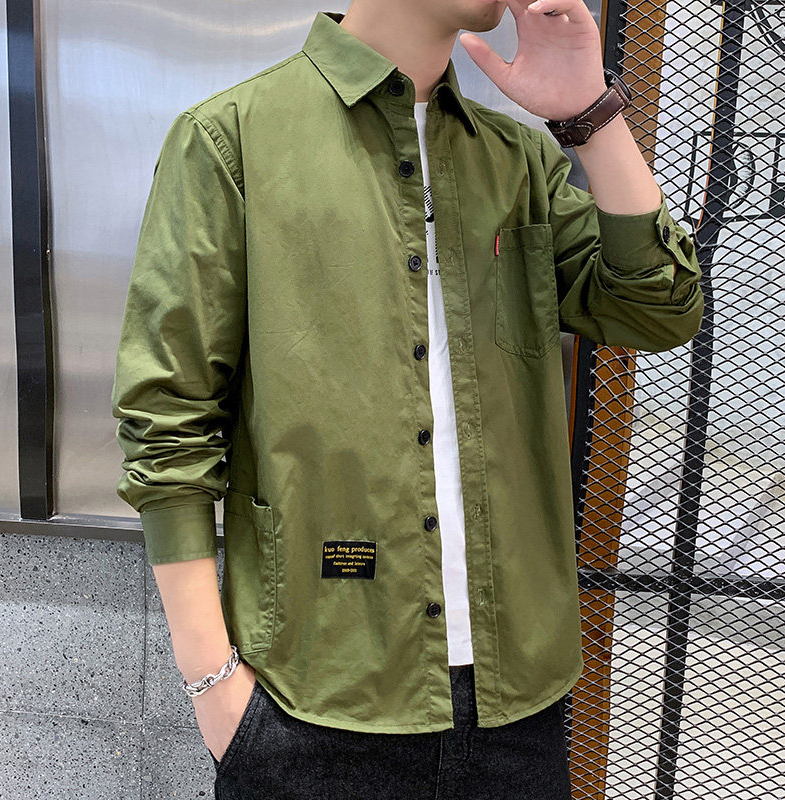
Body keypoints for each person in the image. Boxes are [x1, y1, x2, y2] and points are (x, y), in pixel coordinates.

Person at [111, 1, 704, 798]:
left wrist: (592, 117)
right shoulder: (231, 140)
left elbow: (659, 309)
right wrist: (214, 688)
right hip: (313, 700)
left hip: (518, 707)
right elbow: (167, 419)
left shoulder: (519, 159)